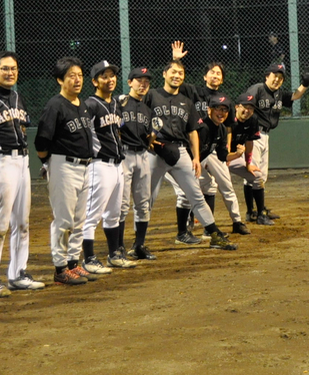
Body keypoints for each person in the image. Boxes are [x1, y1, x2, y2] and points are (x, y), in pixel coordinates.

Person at [147, 59, 236, 250]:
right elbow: (139, 116)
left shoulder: (187, 102)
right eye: (173, 72)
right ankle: (137, 243)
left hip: (180, 151)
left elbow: (192, 130)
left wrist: (195, 157)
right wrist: (147, 140)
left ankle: (212, 234)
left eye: (180, 73)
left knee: (195, 194)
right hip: (156, 152)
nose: (177, 75)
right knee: (147, 198)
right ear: (164, 74)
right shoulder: (152, 95)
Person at [0, 51, 44, 292]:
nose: (10, 72)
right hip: (0, 161)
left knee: (22, 223)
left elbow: (23, 129)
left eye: (13, 68)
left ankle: (17, 273)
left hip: (22, 162)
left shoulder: (17, 97)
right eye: (4, 68)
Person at [169, 45, 249, 237]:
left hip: (212, 146)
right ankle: (191, 223)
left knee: (224, 185)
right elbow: (175, 82)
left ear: (222, 79)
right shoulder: (194, 92)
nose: (215, 75)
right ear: (205, 76)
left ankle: (236, 221)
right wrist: (176, 60)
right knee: (191, 187)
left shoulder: (225, 101)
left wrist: (227, 151)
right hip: (192, 147)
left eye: (218, 73)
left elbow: (228, 127)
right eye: (212, 72)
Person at [35, 56, 96, 285]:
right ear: (60, 80)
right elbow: (41, 141)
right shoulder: (55, 105)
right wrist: (48, 163)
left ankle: (73, 263)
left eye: (79, 75)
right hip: (64, 165)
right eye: (71, 76)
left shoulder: (82, 105)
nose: (77, 79)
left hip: (85, 165)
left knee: (79, 220)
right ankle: (60, 268)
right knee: (64, 220)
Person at [82, 60, 135, 272]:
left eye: (112, 75)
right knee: (92, 215)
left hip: (117, 165)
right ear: (95, 81)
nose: (110, 79)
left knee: (114, 213)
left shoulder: (115, 104)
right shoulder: (90, 105)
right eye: (104, 76)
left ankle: (114, 254)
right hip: (99, 165)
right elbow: (84, 135)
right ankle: (89, 259)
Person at [242, 61, 309, 224]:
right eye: (275, 76)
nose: (277, 80)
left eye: (281, 77)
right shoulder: (257, 89)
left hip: (265, 135)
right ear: (267, 76)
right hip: (254, 134)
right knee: (254, 175)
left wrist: (305, 84)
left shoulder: (278, 94)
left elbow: (294, 96)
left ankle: (257, 210)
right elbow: (244, 106)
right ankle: (255, 212)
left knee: (261, 176)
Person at [120, 67, 156, 260]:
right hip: (124, 155)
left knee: (143, 204)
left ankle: (139, 245)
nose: (143, 84)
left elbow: (149, 139)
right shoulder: (119, 103)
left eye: (146, 82)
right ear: (129, 82)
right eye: (139, 80)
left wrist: (153, 137)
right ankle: (118, 247)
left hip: (142, 155)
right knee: (122, 204)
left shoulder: (147, 110)